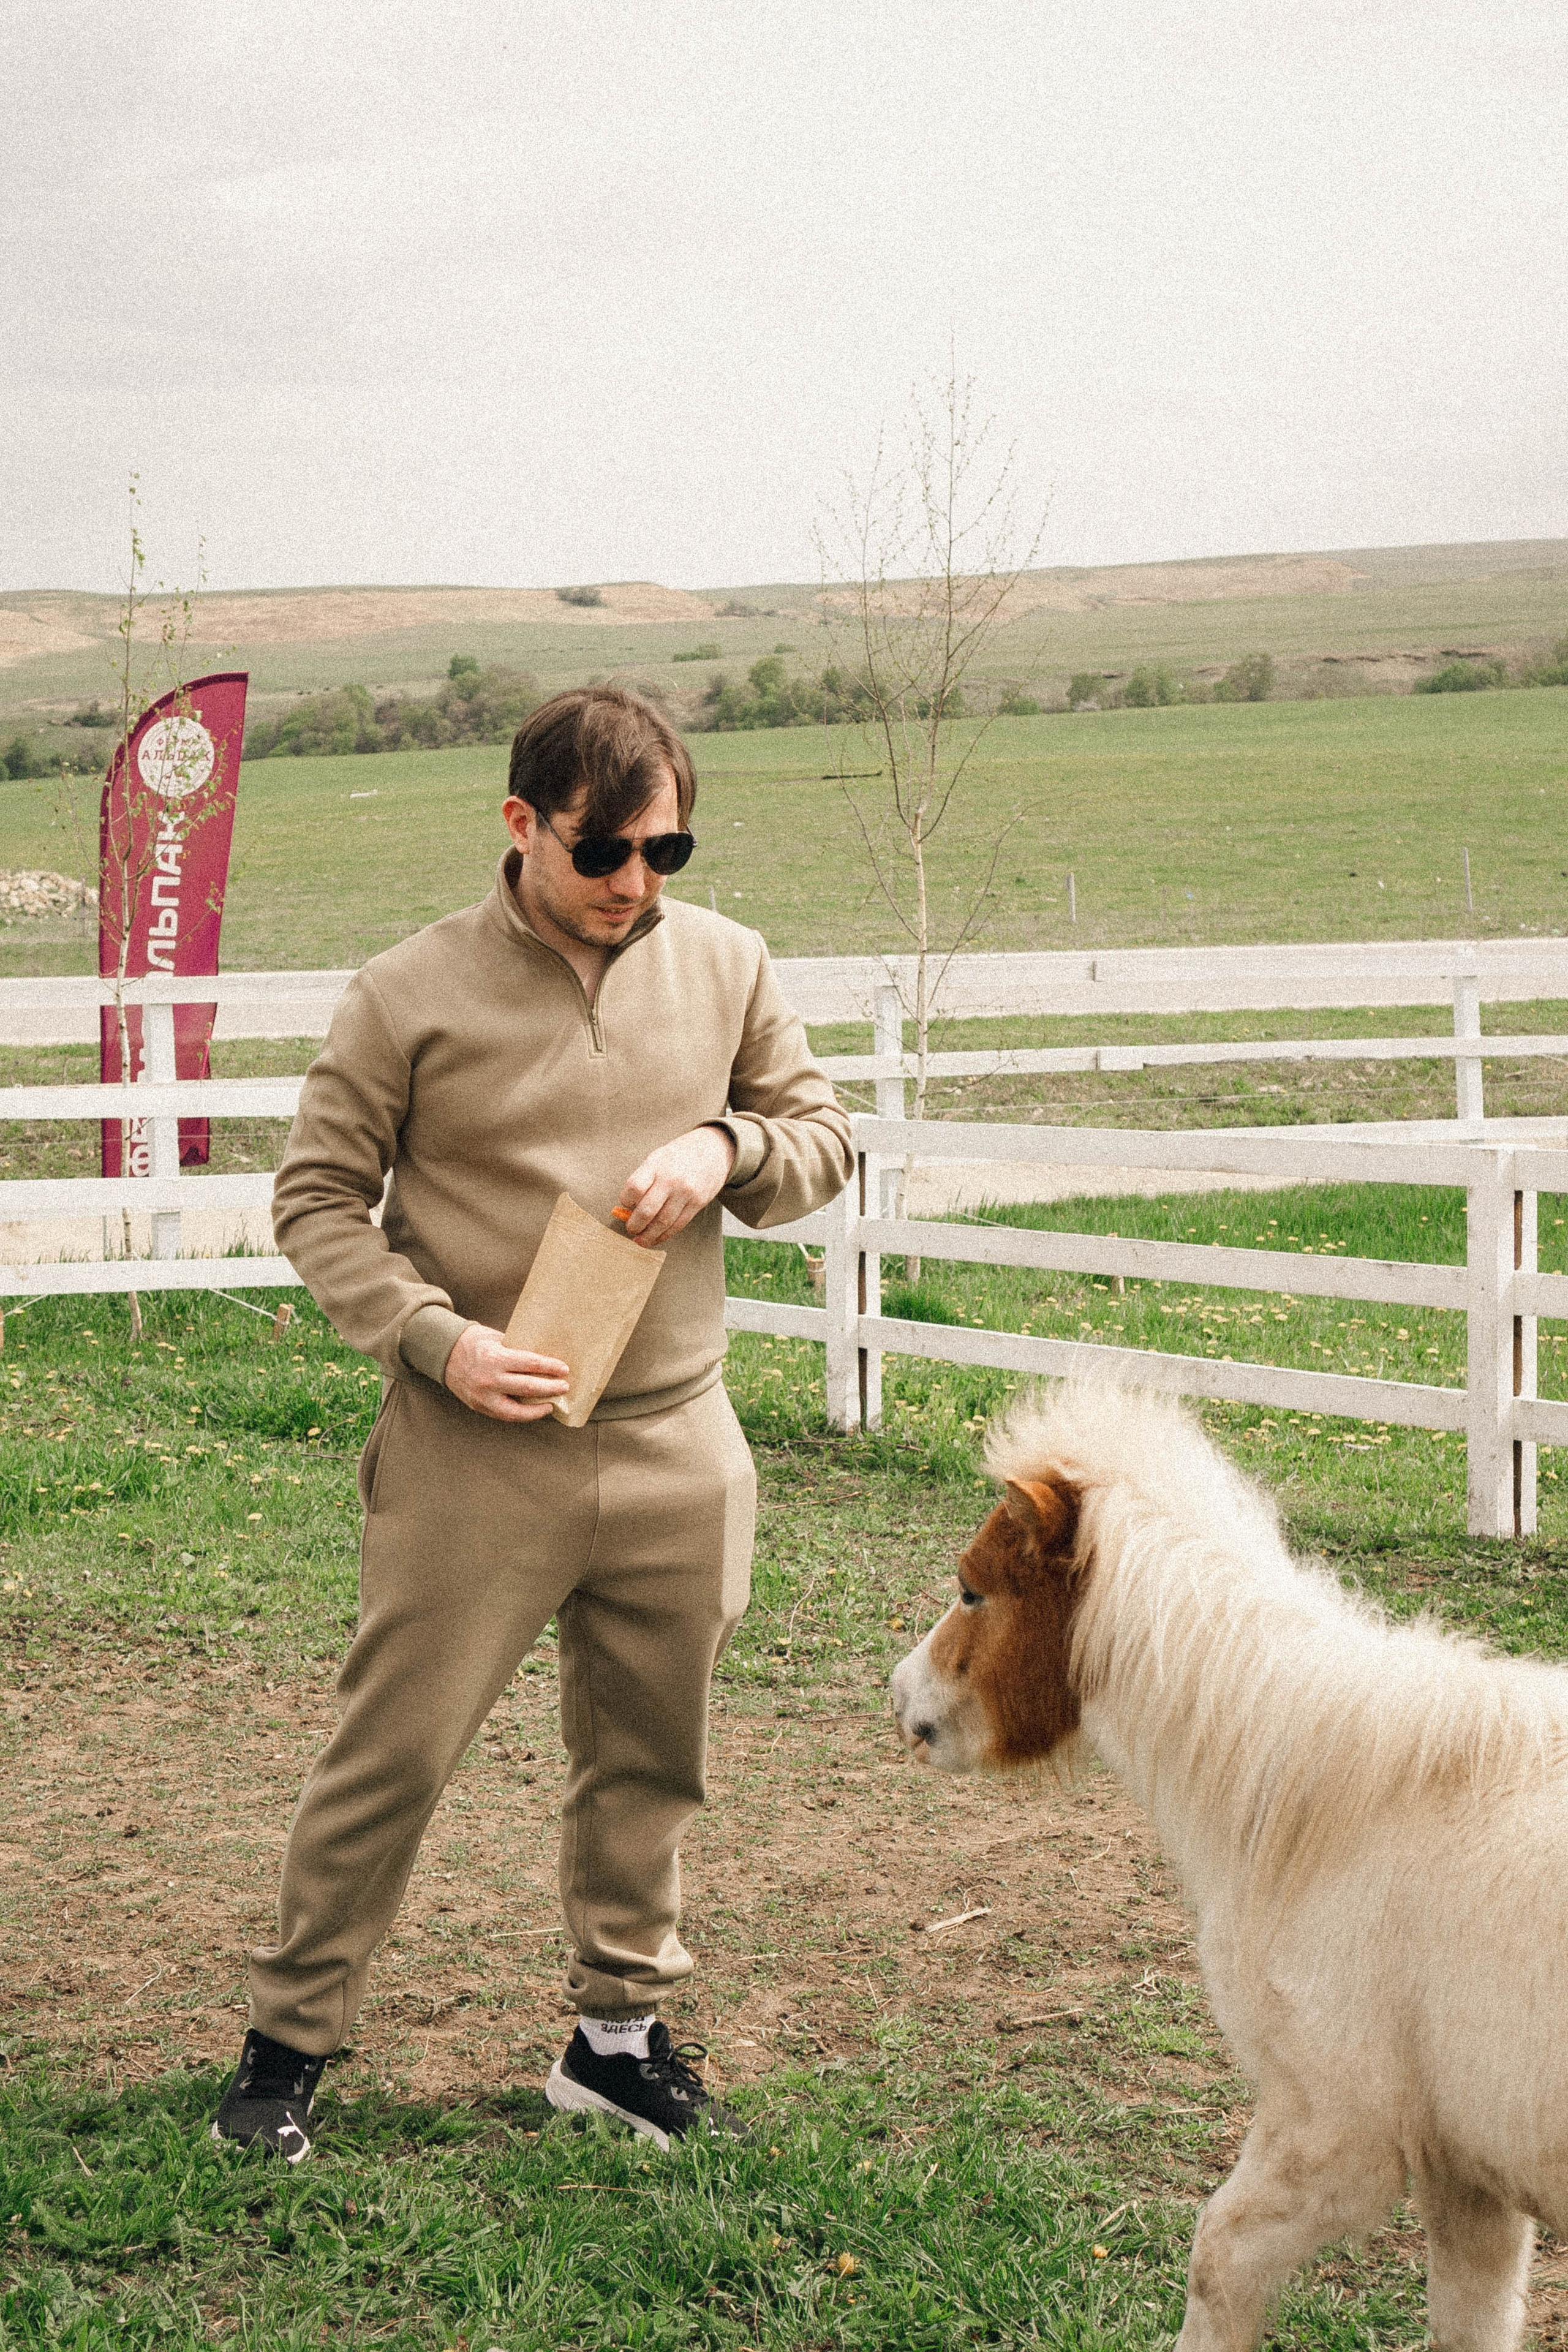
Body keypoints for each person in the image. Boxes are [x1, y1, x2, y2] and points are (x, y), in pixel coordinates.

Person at [212, 686, 854, 2160]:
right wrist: (435, 1340)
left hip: (678, 1442)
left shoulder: (731, 966)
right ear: (521, 825)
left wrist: (728, 1142)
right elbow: (316, 1202)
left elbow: (818, 1137)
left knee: (653, 1756)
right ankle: (286, 2050)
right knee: (393, 1755)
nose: (638, 885)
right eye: (606, 852)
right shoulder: (406, 992)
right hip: (473, 1451)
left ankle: (615, 2043)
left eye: (668, 853)